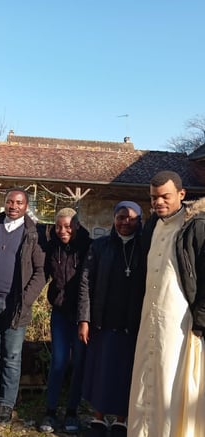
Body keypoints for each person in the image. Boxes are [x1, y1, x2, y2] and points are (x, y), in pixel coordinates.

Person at [128, 171, 205, 437]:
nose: (158, 202)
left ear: (181, 195)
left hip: (181, 324)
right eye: (153, 197)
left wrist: (201, 320)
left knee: (171, 383)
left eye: (165, 196)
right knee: (147, 381)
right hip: (150, 316)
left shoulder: (196, 226)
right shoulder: (151, 225)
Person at [0, 187, 46, 425]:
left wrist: (25, 300)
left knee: (12, 357)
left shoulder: (32, 234)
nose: (13, 206)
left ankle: (7, 404)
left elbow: (40, 272)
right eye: (9, 202)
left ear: (26, 206)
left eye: (18, 202)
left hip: (16, 305)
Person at [78, 201, 145, 437]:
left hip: (132, 322)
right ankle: (98, 417)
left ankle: (121, 420)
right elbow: (86, 282)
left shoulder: (145, 247)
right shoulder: (100, 246)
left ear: (140, 220)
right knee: (101, 370)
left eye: (131, 218)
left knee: (125, 372)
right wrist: (84, 319)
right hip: (102, 320)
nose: (125, 222)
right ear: (113, 219)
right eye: (120, 217)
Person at [39, 208, 92, 434]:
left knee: (79, 363)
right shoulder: (52, 246)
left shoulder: (88, 247)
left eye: (68, 226)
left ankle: (72, 411)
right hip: (60, 312)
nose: (63, 231)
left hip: (80, 315)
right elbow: (42, 273)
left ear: (77, 226)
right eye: (59, 226)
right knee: (59, 362)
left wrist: (85, 318)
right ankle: (50, 411)